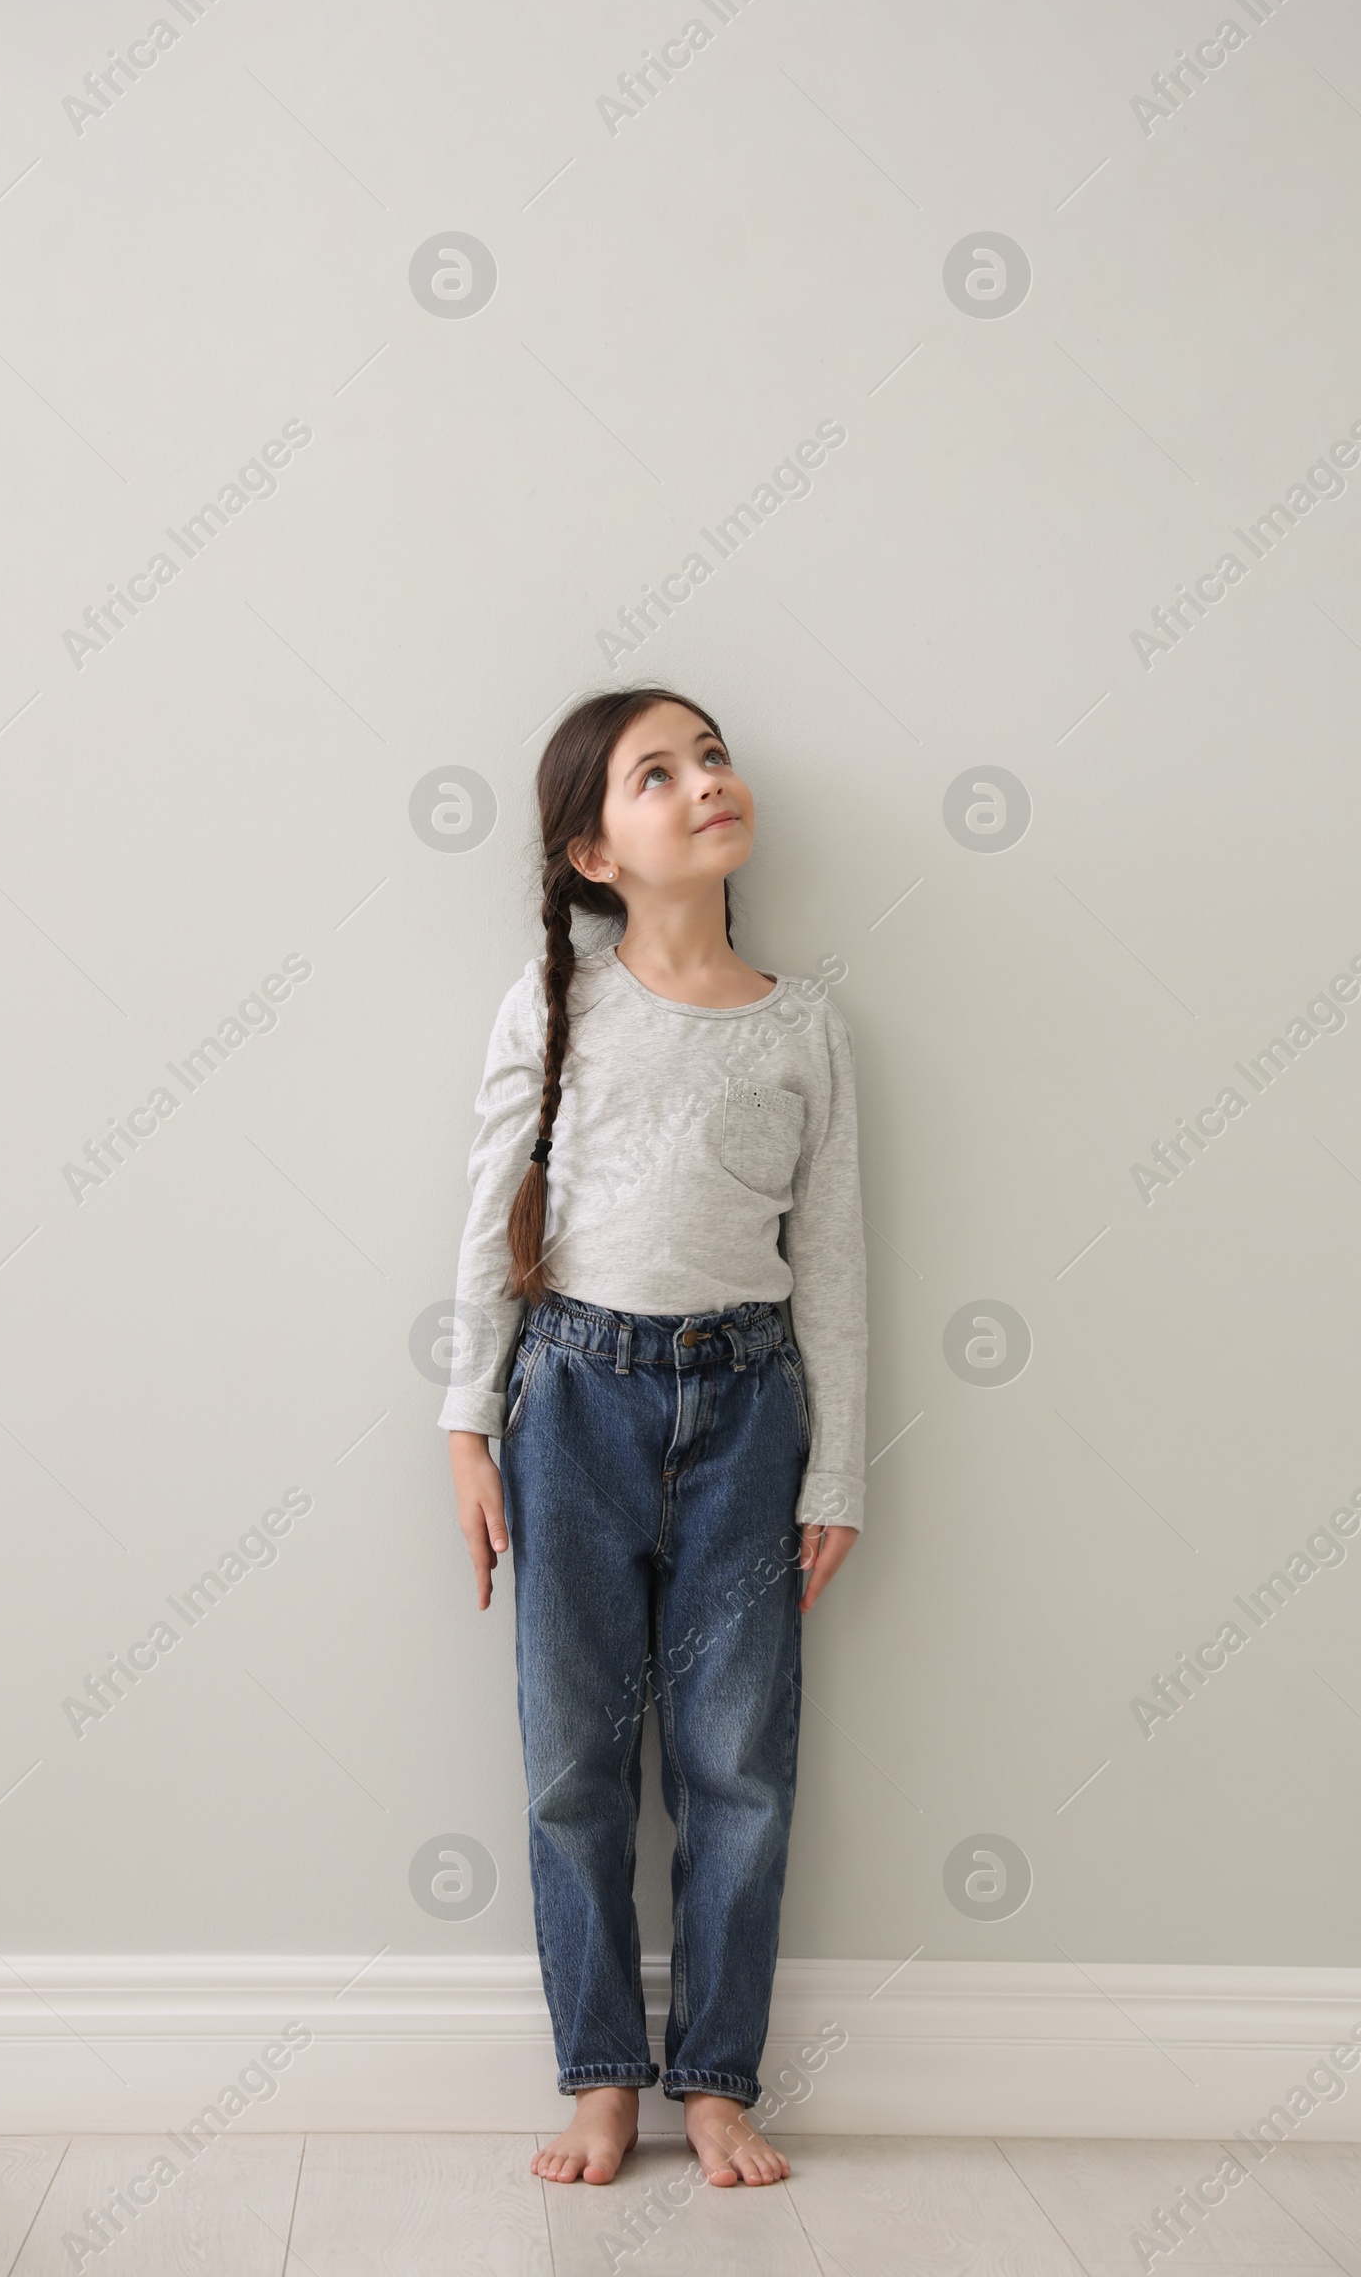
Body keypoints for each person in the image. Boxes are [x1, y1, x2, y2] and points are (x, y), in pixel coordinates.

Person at [440, 685, 867, 2188]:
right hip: (570, 1400)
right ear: (592, 853)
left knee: (738, 1760)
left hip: (751, 1407)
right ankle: (603, 2076)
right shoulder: (551, 1006)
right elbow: (495, 1219)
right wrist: (467, 1423)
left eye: (714, 758)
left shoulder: (804, 1025)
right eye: (657, 773)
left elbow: (837, 1265)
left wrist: (837, 1468)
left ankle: (718, 2078)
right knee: (574, 1762)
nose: (705, 783)